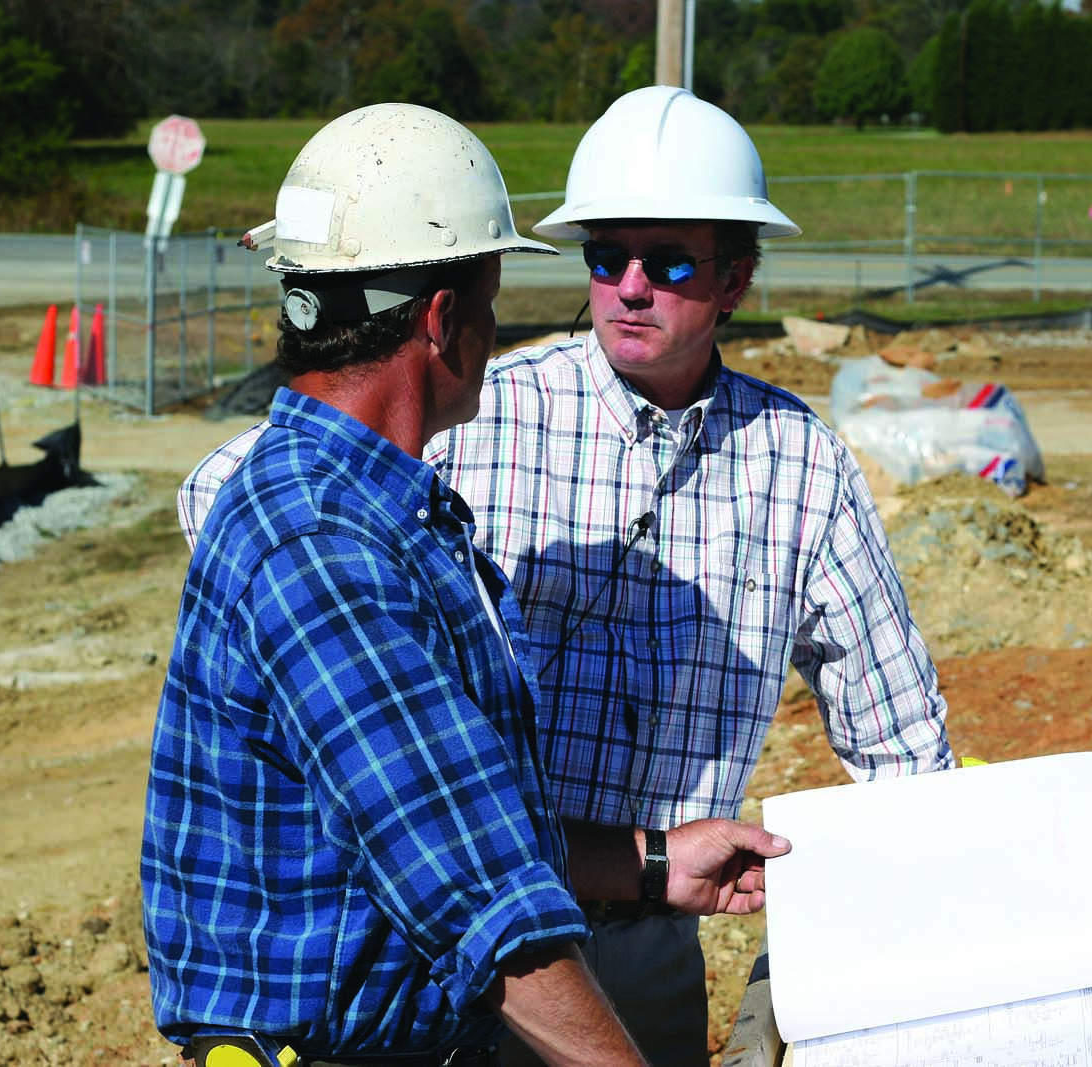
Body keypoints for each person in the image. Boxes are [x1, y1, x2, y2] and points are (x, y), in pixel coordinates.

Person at [178, 86, 952, 1066]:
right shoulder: (477, 412)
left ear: (736, 280)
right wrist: (362, 647)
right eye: (605, 256)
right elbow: (224, 496)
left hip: (641, 921)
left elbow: (902, 746)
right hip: (444, 948)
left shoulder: (800, 466)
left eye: (669, 262)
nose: (630, 285)